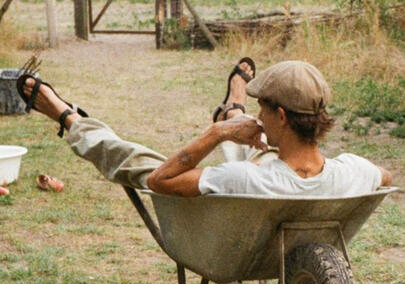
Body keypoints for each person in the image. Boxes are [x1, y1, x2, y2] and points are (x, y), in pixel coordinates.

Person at [18, 59, 392, 196]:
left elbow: (160, 181)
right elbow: (385, 177)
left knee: (138, 161)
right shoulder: (353, 171)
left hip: (241, 215)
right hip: (288, 173)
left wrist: (217, 134)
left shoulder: (244, 179)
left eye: (261, 108)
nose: (260, 117)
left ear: (281, 116)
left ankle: (70, 119)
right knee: (253, 144)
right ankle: (234, 106)